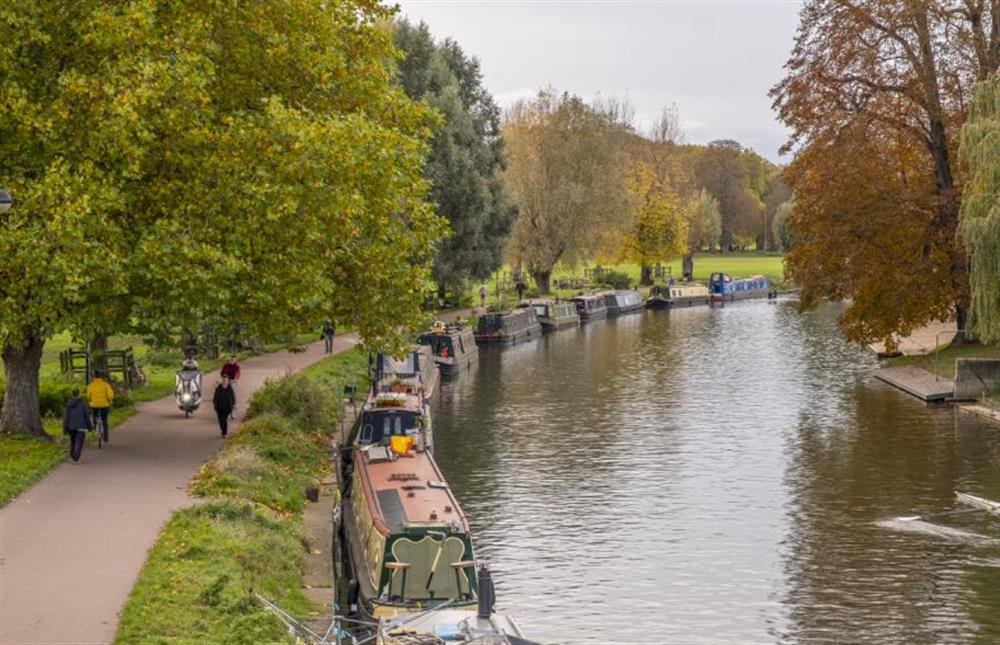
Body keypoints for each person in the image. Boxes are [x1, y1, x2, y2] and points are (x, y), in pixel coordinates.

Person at [63, 388, 92, 462]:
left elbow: (66, 417)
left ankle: (72, 455)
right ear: (79, 394)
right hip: (81, 426)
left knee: (73, 441)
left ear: (72, 394)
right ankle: (76, 457)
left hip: (71, 427)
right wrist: (89, 426)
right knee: (79, 442)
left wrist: (65, 429)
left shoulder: (68, 404)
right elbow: (86, 416)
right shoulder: (83, 403)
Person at [85, 370, 114, 443]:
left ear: (94, 377)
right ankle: (106, 437)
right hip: (104, 405)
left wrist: (90, 400)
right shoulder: (105, 385)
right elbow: (110, 395)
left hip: (94, 405)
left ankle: (94, 425)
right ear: (101, 377)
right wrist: (109, 400)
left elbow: (88, 397)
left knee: (94, 415)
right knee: (104, 420)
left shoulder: (90, 386)